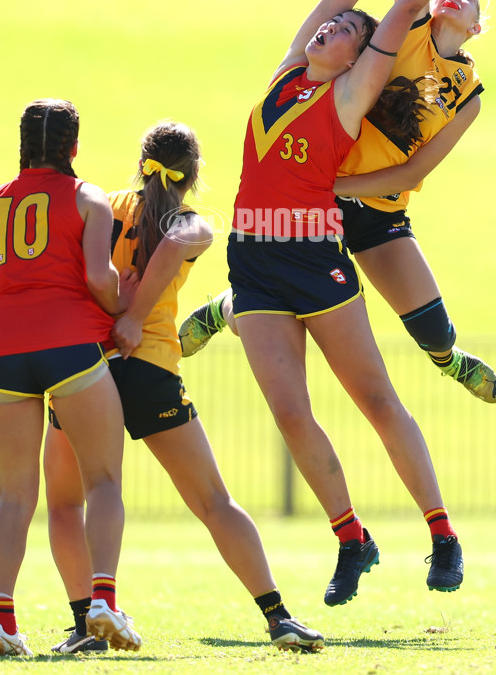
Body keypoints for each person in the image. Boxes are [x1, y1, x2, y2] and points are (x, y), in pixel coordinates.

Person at [183, 0, 496, 607]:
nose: (326, 27)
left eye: (339, 32)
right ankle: (351, 537)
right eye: (327, 25)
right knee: (290, 412)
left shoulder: (352, 93)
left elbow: (394, 12)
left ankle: (443, 531)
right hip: (255, 260)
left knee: (372, 397)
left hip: (316, 259)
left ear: (359, 54)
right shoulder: (284, 73)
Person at [180, 0, 496, 405]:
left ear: (478, 27)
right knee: (281, 295)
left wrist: (340, 183)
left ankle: (449, 358)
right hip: (319, 197)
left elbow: (409, 175)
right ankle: (225, 307)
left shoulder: (470, 94)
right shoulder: (409, 26)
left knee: (431, 327)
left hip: (376, 204)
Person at [45, 119, 324, 655]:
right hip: (149, 369)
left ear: (142, 161)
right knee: (214, 502)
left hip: (86, 371)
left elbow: (80, 275)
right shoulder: (194, 223)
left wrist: (114, 308)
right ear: (193, 174)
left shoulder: (101, 205)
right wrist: (137, 315)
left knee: (65, 503)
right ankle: (278, 616)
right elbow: (179, 241)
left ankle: (86, 621)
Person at [0, 99, 142, 657]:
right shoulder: (87, 197)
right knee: (103, 481)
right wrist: (128, 300)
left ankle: (0, 618)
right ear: (73, 147)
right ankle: (103, 600)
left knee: (13, 496)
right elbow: (100, 278)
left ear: (22, 145)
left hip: (1, 348)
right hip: (68, 343)